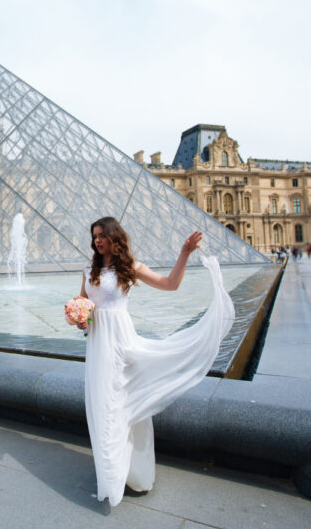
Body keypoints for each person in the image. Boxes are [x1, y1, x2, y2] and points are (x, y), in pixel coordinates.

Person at [65, 217, 234, 506]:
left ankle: (130, 473)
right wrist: (80, 320)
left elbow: (170, 284)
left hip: (121, 343)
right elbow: (85, 307)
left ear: (114, 237)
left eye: (102, 235)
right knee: (104, 407)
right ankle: (111, 474)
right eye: (94, 236)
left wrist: (184, 253)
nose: (97, 241)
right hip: (98, 346)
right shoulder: (88, 270)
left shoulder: (130, 267)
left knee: (125, 406)